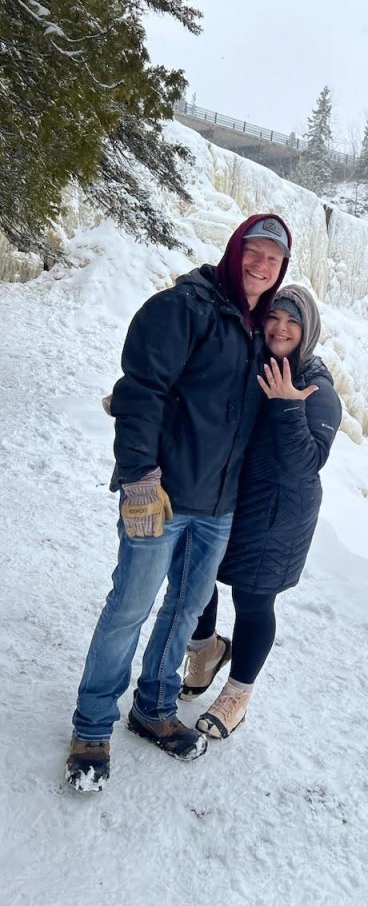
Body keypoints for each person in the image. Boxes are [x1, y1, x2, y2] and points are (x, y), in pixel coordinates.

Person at [65, 213, 292, 792]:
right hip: (161, 496)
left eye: (273, 258)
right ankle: (93, 725)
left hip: (218, 507)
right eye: (254, 251)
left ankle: (155, 707)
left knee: (183, 613)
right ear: (235, 249)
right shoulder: (186, 307)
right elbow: (141, 390)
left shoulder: (263, 328)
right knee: (129, 608)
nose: (261, 265)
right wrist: (139, 476)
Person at [179, 284, 342, 739]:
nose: (281, 327)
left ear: (307, 329)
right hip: (231, 496)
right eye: (275, 317)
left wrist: (289, 406)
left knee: (252, 600)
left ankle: (238, 694)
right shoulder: (254, 360)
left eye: (293, 321)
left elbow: (307, 465)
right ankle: (206, 649)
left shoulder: (317, 389)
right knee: (198, 577)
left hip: (279, 514)